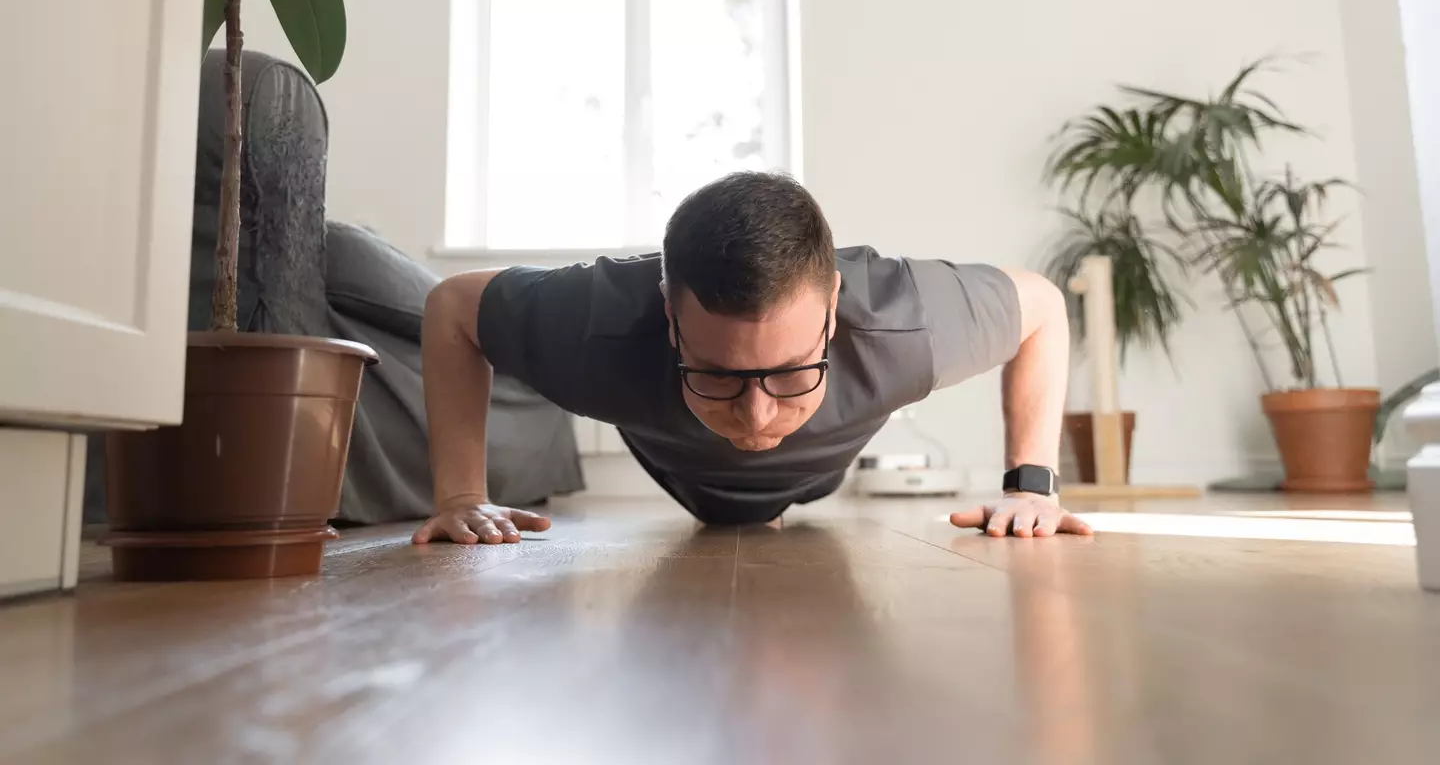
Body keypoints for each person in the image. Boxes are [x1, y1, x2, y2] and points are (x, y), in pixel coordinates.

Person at [413, 172, 1092, 545]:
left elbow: (1042, 307)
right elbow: (452, 308)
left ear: (834, 306)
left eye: (793, 373)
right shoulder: (595, 324)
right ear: (668, 314)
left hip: (824, 469)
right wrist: (461, 497)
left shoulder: (908, 321)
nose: (757, 417)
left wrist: (1031, 486)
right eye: (717, 376)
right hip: (677, 469)